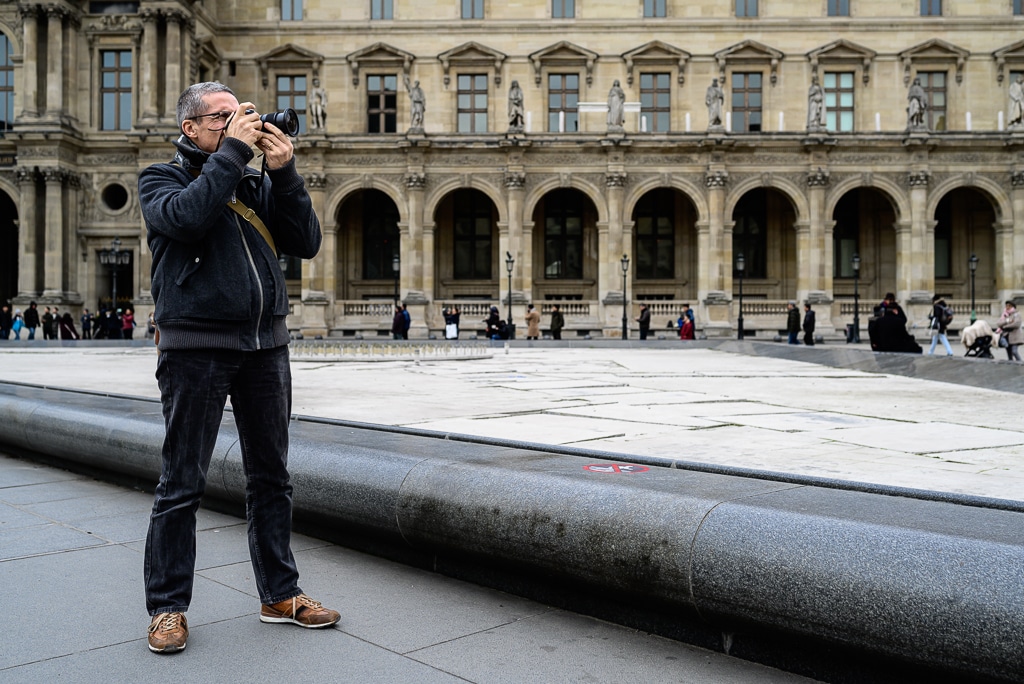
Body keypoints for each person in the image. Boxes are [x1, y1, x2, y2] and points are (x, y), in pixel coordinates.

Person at [137, 81, 337, 654]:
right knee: (181, 483)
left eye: (240, 113)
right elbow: (188, 218)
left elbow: (306, 241)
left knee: (272, 478)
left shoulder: (251, 179)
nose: (238, 123)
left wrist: (285, 174)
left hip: (264, 344)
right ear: (191, 128)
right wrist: (233, 155)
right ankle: (167, 607)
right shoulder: (162, 179)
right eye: (223, 117)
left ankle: (281, 593)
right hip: (196, 346)